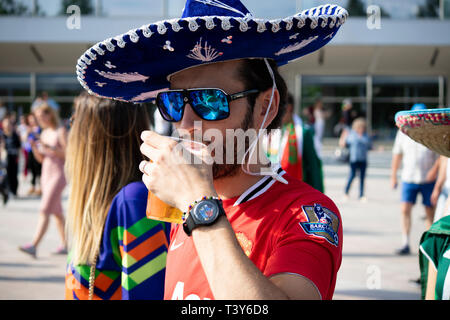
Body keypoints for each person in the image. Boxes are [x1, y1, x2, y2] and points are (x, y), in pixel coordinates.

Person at [76, 0, 348, 300]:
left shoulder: (306, 214)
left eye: (209, 101)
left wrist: (199, 205)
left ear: (263, 108)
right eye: (173, 102)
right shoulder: (185, 207)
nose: (186, 123)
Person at [64, 92, 170, 300]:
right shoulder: (104, 206)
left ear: (91, 137)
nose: (70, 129)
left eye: (74, 120)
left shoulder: (135, 201)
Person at [18, 104, 67, 258]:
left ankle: (34, 245)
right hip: (46, 173)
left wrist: (51, 148)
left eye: (41, 116)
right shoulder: (44, 133)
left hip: (59, 174)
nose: (39, 120)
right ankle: (66, 245)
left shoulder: (60, 131)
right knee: (57, 213)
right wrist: (35, 148)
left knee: (45, 208)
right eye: (37, 117)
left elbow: (68, 154)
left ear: (50, 115)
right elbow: (41, 159)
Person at [391, 104, 440, 255]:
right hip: (409, 177)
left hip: (427, 178)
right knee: (405, 209)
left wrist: (434, 170)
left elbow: (441, 156)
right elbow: (397, 154)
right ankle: (405, 242)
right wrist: (393, 175)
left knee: (429, 210)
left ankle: (429, 244)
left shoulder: (431, 132)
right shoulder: (403, 133)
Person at [267, 93, 324, 192]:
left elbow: (313, 167)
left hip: (297, 191)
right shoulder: (271, 132)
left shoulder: (304, 133)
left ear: (288, 108)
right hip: (273, 190)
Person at [340, 117, 372, 202]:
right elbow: (345, 144)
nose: (361, 129)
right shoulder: (351, 134)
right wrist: (343, 136)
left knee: (362, 178)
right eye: (360, 127)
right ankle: (346, 192)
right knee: (352, 176)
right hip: (353, 159)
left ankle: (361, 195)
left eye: (363, 127)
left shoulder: (366, 135)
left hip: (363, 159)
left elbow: (369, 145)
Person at [1, 115, 21, 197]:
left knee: (14, 174)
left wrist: (19, 157)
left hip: (14, 156)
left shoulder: (15, 135)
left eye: (9, 123)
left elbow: (19, 147)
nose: (8, 125)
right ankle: (7, 190)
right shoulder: (2, 136)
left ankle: (14, 191)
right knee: (6, 174)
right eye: (6, 123)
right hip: (5, 158)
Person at [25, 113, 42, 196]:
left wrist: (34, 133)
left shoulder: (40, 128)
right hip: (30, 150)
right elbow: (25, 139)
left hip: (38, 150)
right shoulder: (29, 129)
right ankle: (33, 186)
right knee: (32, 169)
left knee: (39, 169)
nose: (32, 121)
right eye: (30, 120)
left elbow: (42, 137)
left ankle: (40, 187)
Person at [431, 156, 450, 222]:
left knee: (446, 221)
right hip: (445, 189)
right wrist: (436, 189)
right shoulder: (446, 153)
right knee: (438, 220)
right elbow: (442, 172)